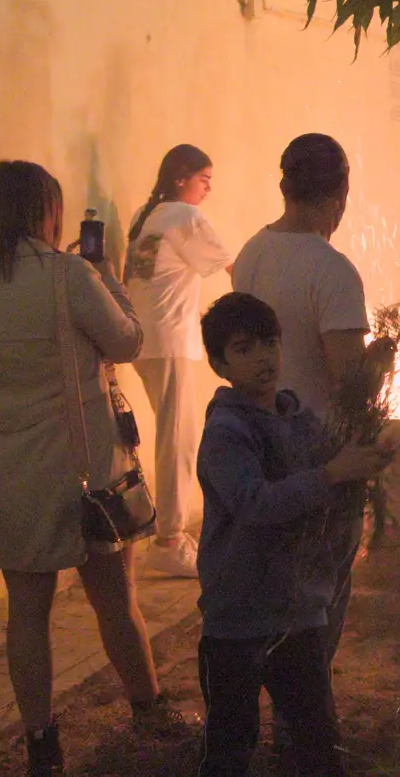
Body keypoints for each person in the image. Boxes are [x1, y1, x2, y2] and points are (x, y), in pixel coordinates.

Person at [0, 162, 187, 777]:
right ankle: (148, 709)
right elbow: (126, 342)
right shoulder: (68, 274)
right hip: (83, 469)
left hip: (2, 464)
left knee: (27, 611)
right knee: (114, 597)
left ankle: (42, 743)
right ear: (45, 212)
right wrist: (103, 272)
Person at [193, 293, 396, 776]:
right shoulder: (226, 432)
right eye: (244, 349)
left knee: (317, 739)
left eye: (270, 343)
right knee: (230, 743)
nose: (263, 357)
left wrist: (370, 395)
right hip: (237, 619)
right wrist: (331, 475)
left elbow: (334, 455)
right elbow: (256, 504)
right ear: (220, 364)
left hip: (297, 612)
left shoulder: (298, 419)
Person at [231, 134, 395, 675]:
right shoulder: (332, 269)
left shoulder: (251, 253)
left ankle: (277, 713)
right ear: (340, 194)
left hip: (261, 446)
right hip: (318, 459)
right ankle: (305, 726)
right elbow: (352, 383)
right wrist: (387, 354)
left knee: (272, 599)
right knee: (317, 603)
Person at [125, 144, 232, 578]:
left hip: (145, 342)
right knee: (179, 441)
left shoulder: (145, 218)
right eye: (203, 179)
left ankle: (170, 534)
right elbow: (230, 266)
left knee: (175, 437)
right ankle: (168, 541)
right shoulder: (185, 218)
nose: (208, 188)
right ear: (180, 178)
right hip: (171, 342)